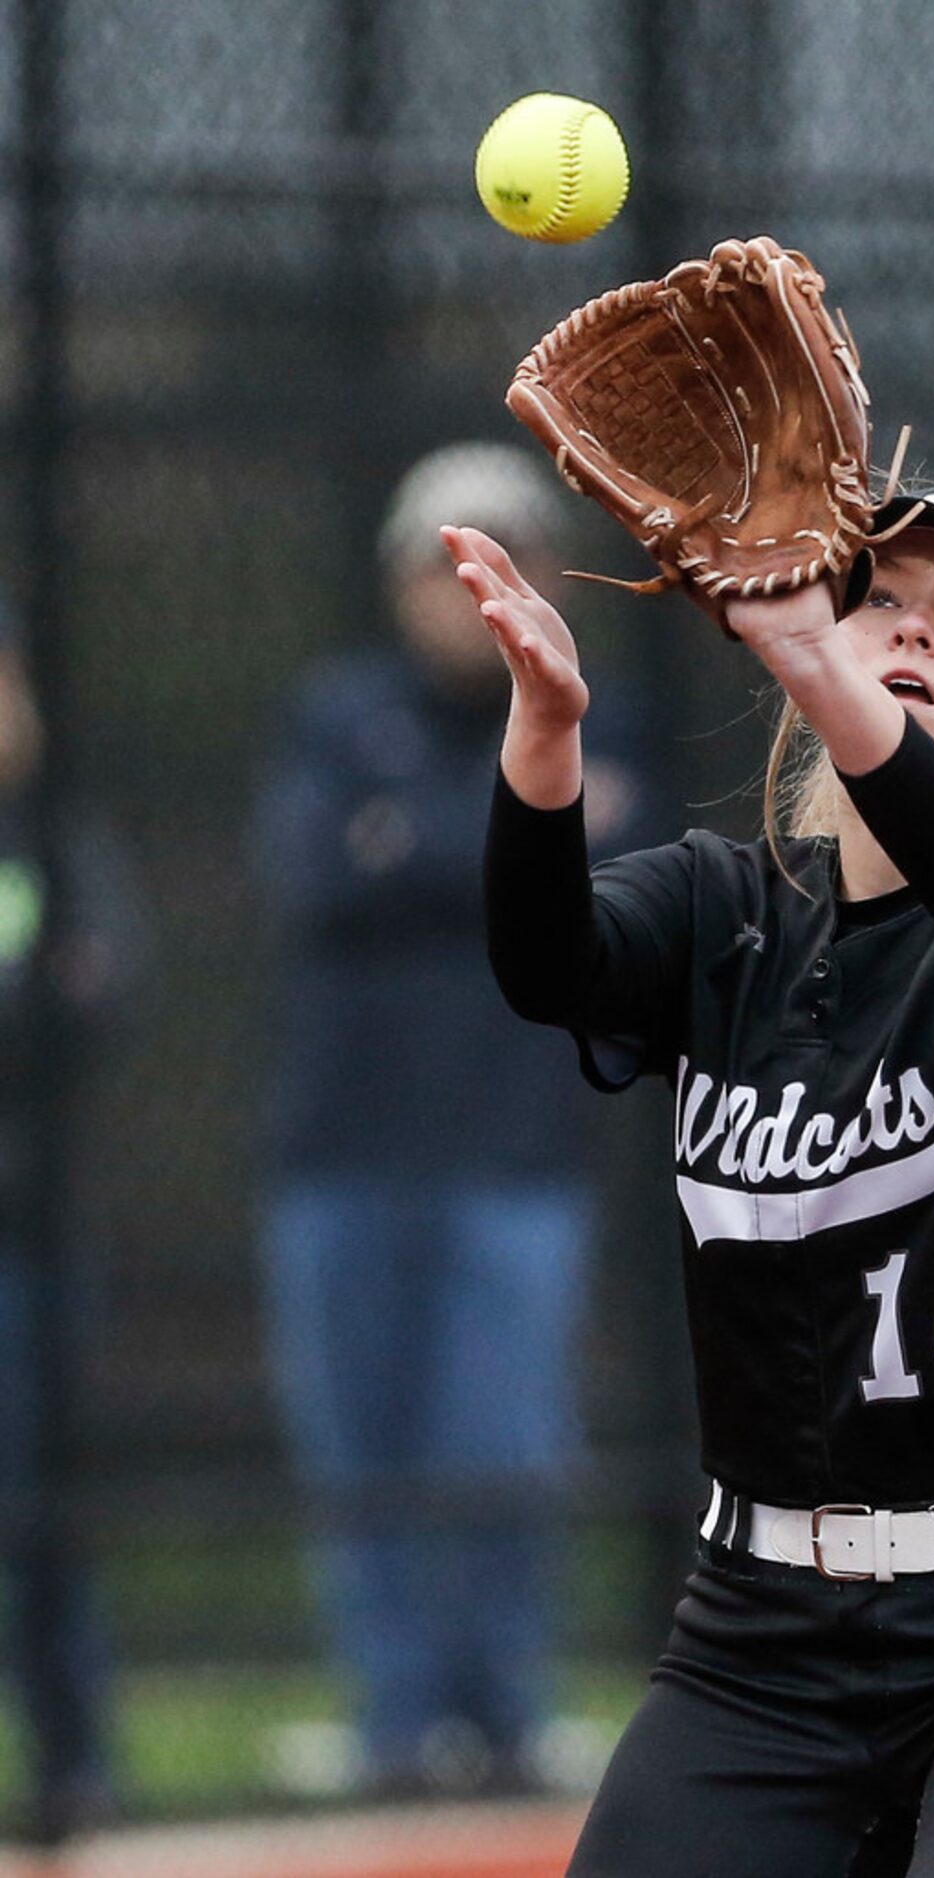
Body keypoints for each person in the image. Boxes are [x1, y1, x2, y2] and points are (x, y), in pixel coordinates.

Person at [449, 478, 934, 1875]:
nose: (913, 630)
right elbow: (545, 962)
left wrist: (820, 661)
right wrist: (546, 744)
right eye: (880, 597)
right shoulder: (723, 911)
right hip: (758, 1641)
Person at [257, 444, 646, 1800]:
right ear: (397, 582)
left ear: (546, 576)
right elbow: (316, 869)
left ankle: (504, 1710)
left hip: (515, 1156)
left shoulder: (595, 710)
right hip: (342, 1157)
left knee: (502, 1442)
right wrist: (507, 834)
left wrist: (412, 840)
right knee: (360, 1448)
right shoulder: (334, 715)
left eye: (506, 554)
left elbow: (604, 860)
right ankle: (394, 1722)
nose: (470, 588)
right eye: (442, 562)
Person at [0, 591, 142, 1844]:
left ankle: (76, 1757)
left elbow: (94, 995)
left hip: (29, 1243)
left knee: (44, 1510)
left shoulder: (55, 839)